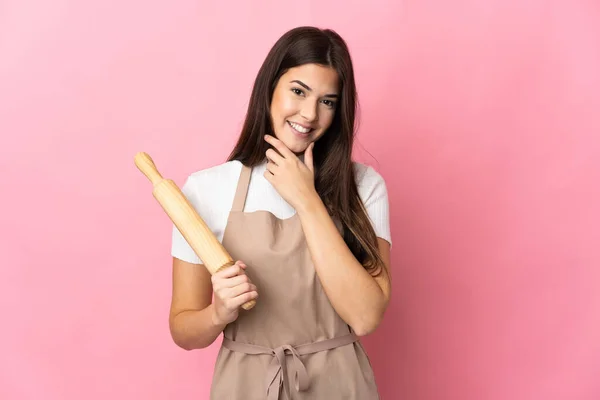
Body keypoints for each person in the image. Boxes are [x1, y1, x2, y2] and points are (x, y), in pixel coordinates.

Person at [169, 26, 392, 400]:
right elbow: (182, 329)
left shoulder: (363, 186)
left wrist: (307, 200)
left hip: (340, 385)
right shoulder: (207, 189)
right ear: (270, 87)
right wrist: (217, 314)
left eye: (328, 101)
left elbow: (366, 316)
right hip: (245, 386)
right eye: (298, 91)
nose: (309, 114)